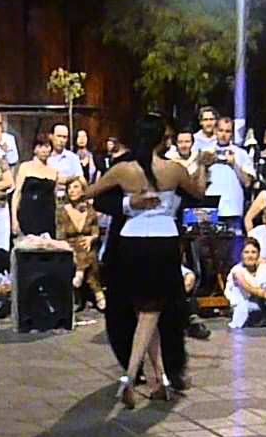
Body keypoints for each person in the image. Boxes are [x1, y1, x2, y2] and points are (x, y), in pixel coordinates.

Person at [83, 113, 211, 408]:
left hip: (131, 241)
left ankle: (161, 379)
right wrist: (203, 165)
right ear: (160, 140)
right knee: (150, 312)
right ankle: (129, 378)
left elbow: (89, 193)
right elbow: (199, 193)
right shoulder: (174, 169)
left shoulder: (123, 170)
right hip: (162, 243)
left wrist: (130, 201)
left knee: (148, 311)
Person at [58, 178, 104, 311]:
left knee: (88, 250)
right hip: (69, 245)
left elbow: (95, 230)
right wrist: (67, 247)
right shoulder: (63, 210)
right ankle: (98, 292)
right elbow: (60, 235)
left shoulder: (89, 209)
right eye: (69, 188)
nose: (72, 191)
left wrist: (91, 238)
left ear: (83, 190)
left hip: (87, 244)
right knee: (84, 253)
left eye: (75, 187)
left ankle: (80, 272)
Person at [206, 117, 253, 227]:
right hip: (211, 209)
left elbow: (247, 183)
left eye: (227, 131)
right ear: (215, 131)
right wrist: (206, 163)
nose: (223, 135)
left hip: (233, 209)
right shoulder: (206, 152)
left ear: (232, 134)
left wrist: (234, 165)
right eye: (221, 130)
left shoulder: (241, 154)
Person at [12, 133, 58, 237]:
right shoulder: (25, 167)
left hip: (47, 217)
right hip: (28, 214)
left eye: (47, 146)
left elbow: (55, 197)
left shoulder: (53, 171)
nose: (45, 150)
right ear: (35, 149)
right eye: (41, 146)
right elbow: (17, 193)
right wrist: (14, 219)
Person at [47, 124, 83, 200]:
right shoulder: (45, 158)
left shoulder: (73, 158)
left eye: (64, 137)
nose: (61, 140)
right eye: (59, 136)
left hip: (68, 199)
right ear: (51, 136)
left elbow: (79, 178)